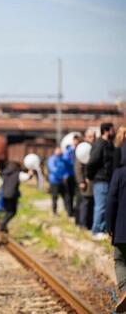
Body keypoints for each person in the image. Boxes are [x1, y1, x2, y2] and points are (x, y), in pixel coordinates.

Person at [106, 142, 126, 312]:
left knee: (120, 260)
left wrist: (109, 227)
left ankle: (125, 290)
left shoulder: (119, 173)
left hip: (122, 229)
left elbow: (111, 201)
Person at [88, 122, 116, 240]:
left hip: (106, 179)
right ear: (106, 131)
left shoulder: (108, 144)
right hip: (101, 179)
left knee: (105, 205)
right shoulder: (100, 144)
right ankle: (96, 230)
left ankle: (102, 229)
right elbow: (92, 162)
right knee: (101, 206)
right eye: (112, 130)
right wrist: (90, 176)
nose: (113, 132)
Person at [75, 129, 96, 229]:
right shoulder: (83, 148)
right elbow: (78, 167)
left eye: (94, 136)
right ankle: (82, 224)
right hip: (86, 182)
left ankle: (89, 224)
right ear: (86, 137)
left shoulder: (94, 148)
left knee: (91, 203)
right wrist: (81, 181)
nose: (93, 139)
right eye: (90, 137)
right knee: (85, 203)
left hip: (93, 181)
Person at [47, 147, 72, 216]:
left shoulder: (63, 159)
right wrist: (61, 176)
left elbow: (67, 168)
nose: (60, 152)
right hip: (55, 181)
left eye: (60, 151)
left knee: (66, 197)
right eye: (58, 150)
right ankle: (54, 212)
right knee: (55, 197)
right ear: (55, 151)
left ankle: (69, 212)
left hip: (62, 181)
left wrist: (66, 175)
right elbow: (53, 169)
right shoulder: (52, 159)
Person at [0, 162, 20, 232]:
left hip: (4, 195)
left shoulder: (4, 173)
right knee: (12, 212)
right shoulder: (17, 174)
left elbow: (0, 183)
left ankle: (4, 226)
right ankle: (3, 223)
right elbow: (26, 177)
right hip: (12, 195)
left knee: (7, 211)